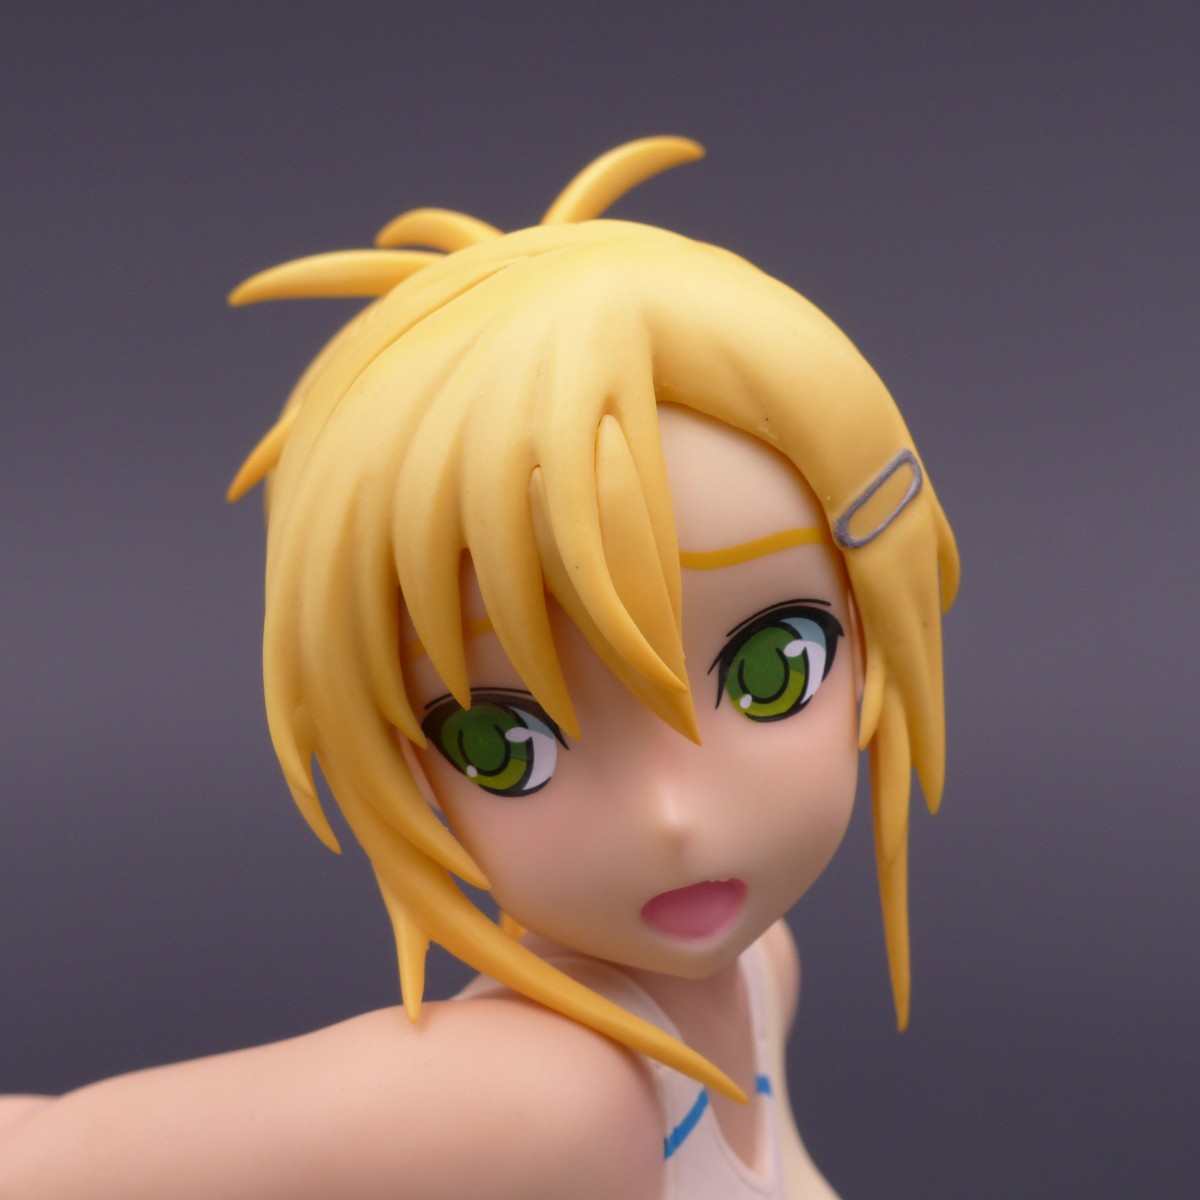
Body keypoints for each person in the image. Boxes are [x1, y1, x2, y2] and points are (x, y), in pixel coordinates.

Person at [0, 137, 958, 1199]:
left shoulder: (760, 973)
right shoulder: (545, 1092)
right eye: (505, 743)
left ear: (869, 623)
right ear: (409, 763)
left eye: (774, 669)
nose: (672, 814)